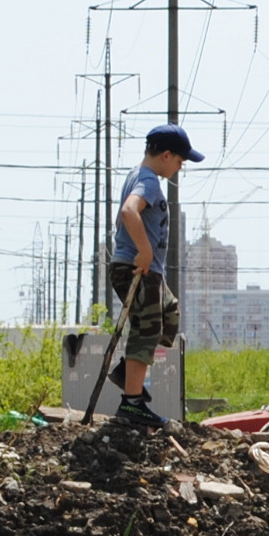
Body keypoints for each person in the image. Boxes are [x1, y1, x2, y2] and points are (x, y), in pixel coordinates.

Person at [107, 124, 204, 429]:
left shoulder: (142, 176)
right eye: (179, 161)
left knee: (169, 311)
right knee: (146, 329)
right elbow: (129, 212)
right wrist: (144, 250)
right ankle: (132, 404)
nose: (180, 166)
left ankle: (128, 370)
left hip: (152, 274)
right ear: (165, 155)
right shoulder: (147, 181)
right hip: (137, 269)